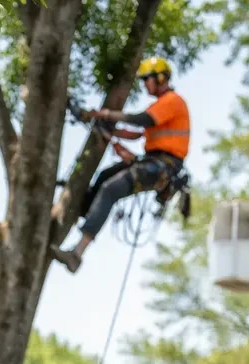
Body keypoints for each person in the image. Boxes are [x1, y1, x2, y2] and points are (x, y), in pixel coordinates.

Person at [52, 57, 190, 273]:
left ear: (160, 78)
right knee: (104, 177)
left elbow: (142, 120)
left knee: (111, 188)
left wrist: (107, 114)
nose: (144, 84)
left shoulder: (173, 101)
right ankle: (83, 213)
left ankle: (77, 254)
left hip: (164, 166)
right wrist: (105, 127)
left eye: (147, 79)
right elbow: (135, 134)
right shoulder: (160, 105)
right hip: (152, 161)